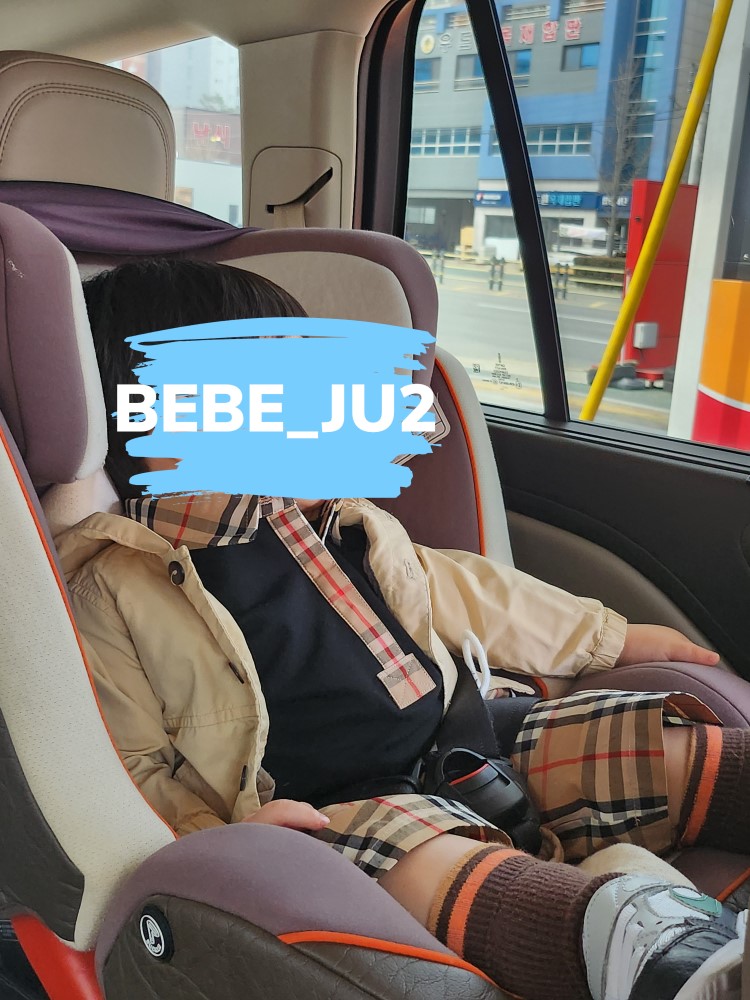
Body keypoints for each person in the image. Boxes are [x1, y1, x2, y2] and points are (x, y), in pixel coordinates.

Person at [57, 257, 750, 1000]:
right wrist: (222, 841)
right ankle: (661, 952)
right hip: (334, 809)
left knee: (660, 748)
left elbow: (473, 593)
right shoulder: (115, 582)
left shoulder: (340, 519)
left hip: (467, 740)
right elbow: (129, 771)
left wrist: (608, 637)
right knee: (426, 862)